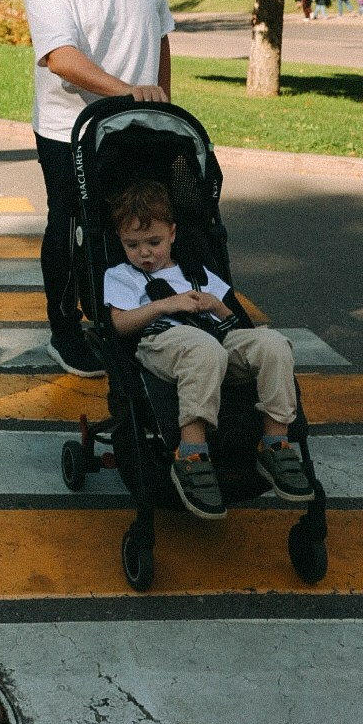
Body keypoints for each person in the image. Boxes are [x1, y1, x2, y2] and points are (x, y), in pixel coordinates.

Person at [22, 0, 173, 377]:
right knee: (69, 227)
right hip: (69, 130)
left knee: (135, 225)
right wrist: (128, 92)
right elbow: (60, 56)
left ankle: (127, 318)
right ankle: (65, 332)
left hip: (137, 127)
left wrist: (163, 107)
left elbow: (160, 37)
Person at [105, 180, 314, 520]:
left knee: (273, 343)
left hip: (216, 341)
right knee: (203, 348)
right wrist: (165, 305)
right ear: (121, 242)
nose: (144, 253)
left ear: (172, 234)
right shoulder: (123, 276)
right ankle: (192, 452)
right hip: (163, 345)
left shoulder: (197, 273)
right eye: (132, 244)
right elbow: (120, 324)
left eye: (154, 242)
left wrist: (217, 305)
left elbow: (234, 322)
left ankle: (275, 443)